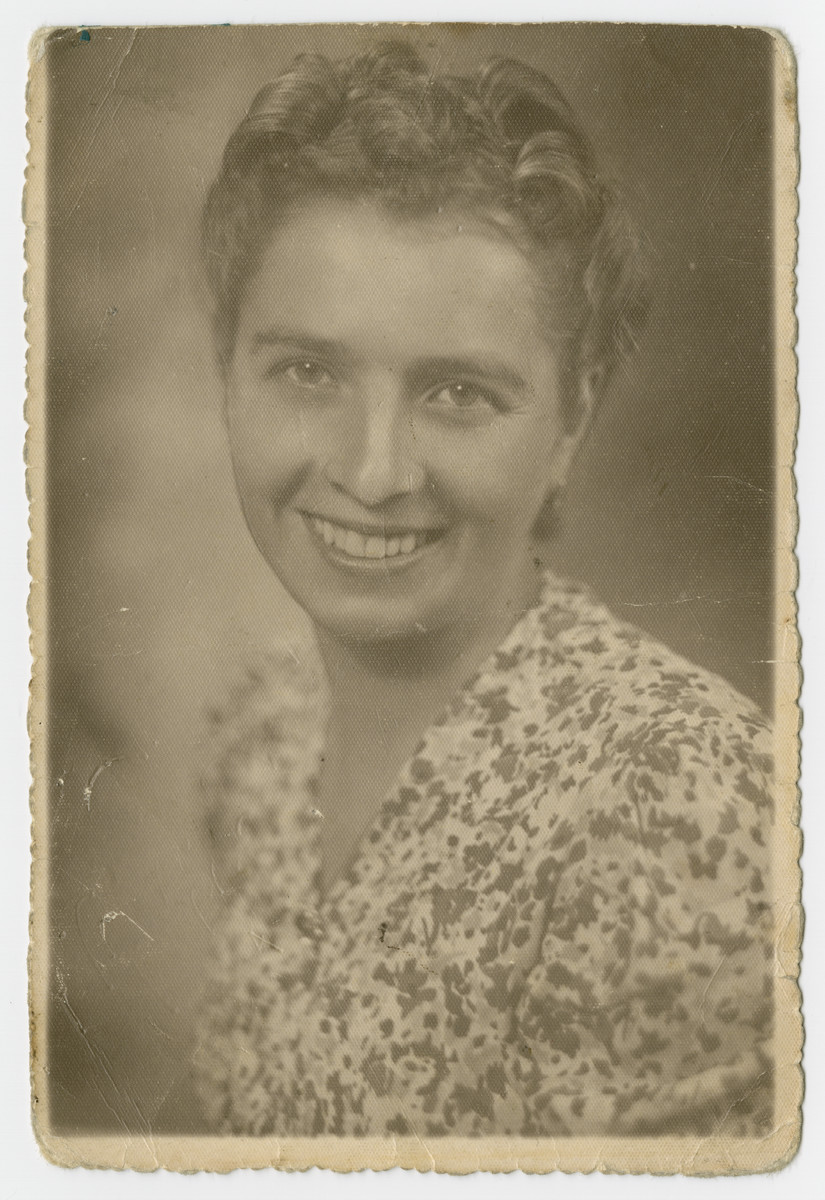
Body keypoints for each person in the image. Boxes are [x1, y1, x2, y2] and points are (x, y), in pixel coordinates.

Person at [192, 43, 774, 1138]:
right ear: (227, 369)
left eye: (458, 391)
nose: (372, 473)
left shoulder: (681, 806)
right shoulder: (260, 737)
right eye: (307, 371)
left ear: (574, 417)